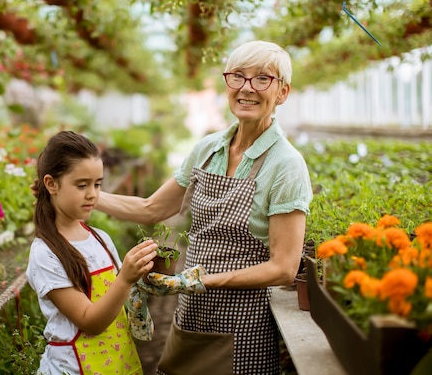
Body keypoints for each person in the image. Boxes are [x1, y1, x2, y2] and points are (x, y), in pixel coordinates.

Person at [94, 40, 314, 375]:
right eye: (237, 77)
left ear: (283, 92)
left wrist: (202, 280)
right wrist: (86, 198)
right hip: (192, 311)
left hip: (244, 323)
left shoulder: (286, 165)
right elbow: (153, 208)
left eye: (262, 79)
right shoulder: (209, 149)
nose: (247, 88)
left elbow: (284, 268)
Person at [25, 130, 160, 375]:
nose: (93, 194)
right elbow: (90, 321)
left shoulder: (99, 237)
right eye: (81, 185)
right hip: (73, 368)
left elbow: (120, 297)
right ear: (51, 184)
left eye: (97, 184)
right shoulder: (46, 253)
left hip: (117, 363)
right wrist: (126, 277)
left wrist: (149, 275)